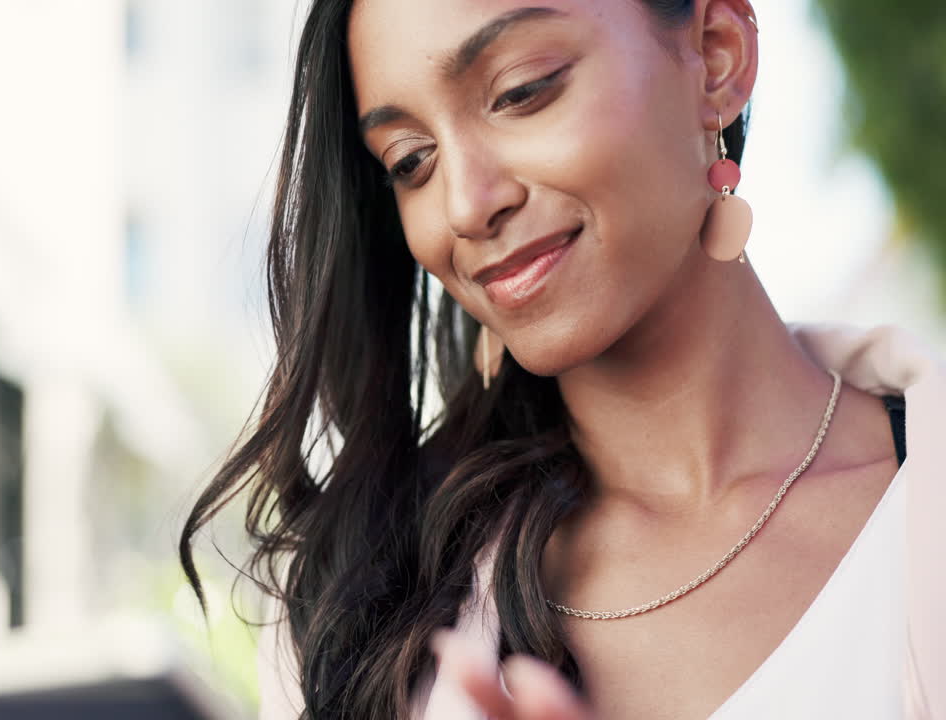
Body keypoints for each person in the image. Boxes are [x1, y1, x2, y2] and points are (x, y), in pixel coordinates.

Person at [179, 0, 944, 717]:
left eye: (520, 92)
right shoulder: (354, 609)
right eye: (411, 161)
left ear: (716, 59)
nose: (465, 205)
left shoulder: (914, 508)